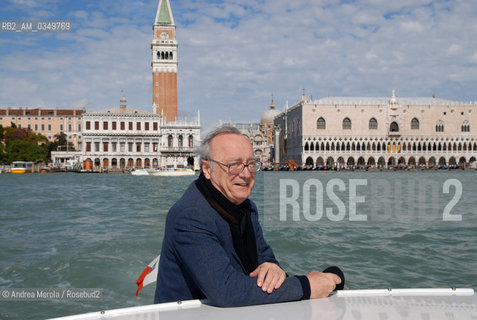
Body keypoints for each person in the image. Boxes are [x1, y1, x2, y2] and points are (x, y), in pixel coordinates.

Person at [154, 126, 343, 307]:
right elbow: (226, 290)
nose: (245, 174)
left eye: (250, 164)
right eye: (234, 165)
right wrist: (306, 286)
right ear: (207, 169)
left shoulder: (246, 207)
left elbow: (265, 257)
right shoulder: (190, 216)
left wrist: (272, 269)